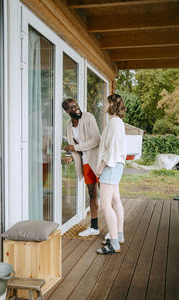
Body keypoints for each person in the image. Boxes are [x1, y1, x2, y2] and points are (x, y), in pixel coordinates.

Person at [62, 98, 100, 237]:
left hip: (98, 161)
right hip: (85, 162)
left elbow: (96, 140)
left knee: (108, 195)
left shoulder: (88, 117)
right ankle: (94, 227)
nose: (76, 108)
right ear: (67, 111)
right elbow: (75, 148)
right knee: (92, 194)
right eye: (72, 107)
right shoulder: (69, 126)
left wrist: (75, 147)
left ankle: (115, 230)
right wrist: (72, 157)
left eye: (76, 105)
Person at [96, 94, 126, 254]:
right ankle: (119, 235)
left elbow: (112, 150)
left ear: (113, 105)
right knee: (115, 200)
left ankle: (114, 243)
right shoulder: (116, 123)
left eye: (106, 102)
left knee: (105, 204)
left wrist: (101, 167)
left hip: (111, 165)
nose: (103, 104)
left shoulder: (114, 123)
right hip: (116, 165)